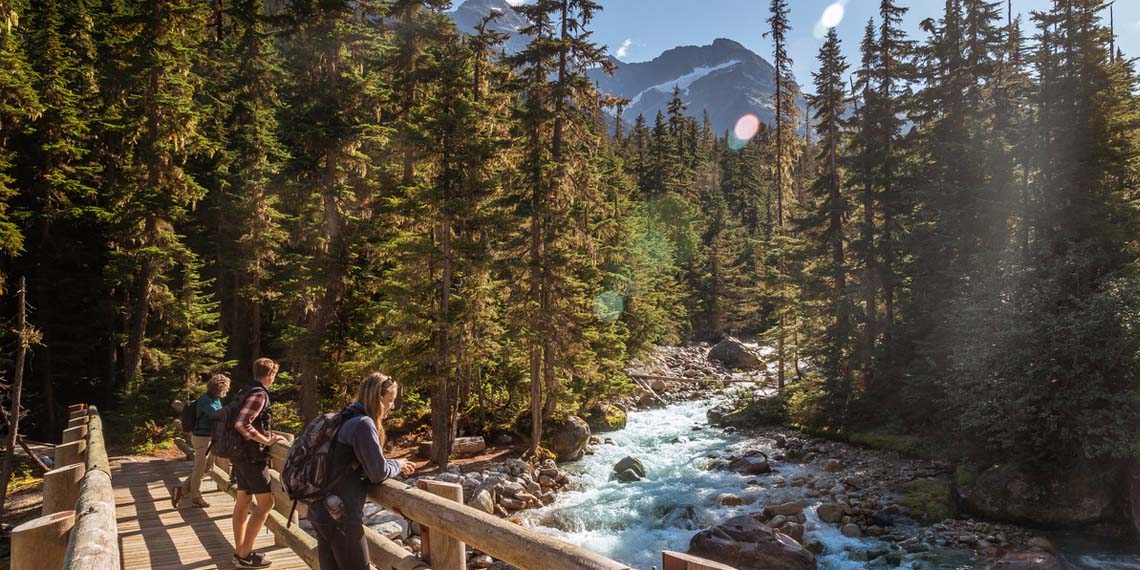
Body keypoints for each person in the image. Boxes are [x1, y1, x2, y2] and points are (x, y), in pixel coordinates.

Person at [307, 373, 415, 570]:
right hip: (340, 515)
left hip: (319, 510)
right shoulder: (363, 424)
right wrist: (397, 465)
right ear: (378, 398)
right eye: (390, 400)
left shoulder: (344, 417)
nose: (392, 406)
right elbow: (378, 472)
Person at [231, 358, 285, 569]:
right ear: (271, 374)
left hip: (241, 456)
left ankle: (240, 552)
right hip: (252, 458)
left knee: (243, 501)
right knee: (266, 504)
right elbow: (242, 423)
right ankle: (245, 554)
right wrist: (267, 440)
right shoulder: (259, 394)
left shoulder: (246, 390)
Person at [170, 374, 230, 509]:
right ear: (220, 388)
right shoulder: (205, 400)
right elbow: (217, 415)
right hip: (201, 438)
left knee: (207, 467)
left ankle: (181, 490)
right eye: (225, 388)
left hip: (210, 437)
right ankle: (196, 497)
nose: (226, 391)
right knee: (199, 468)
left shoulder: (216, 399)